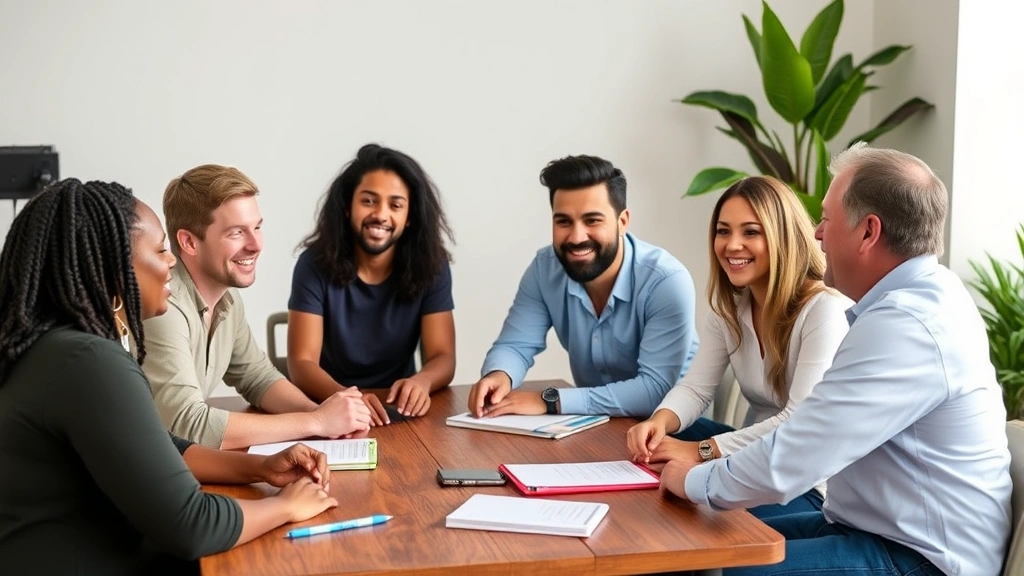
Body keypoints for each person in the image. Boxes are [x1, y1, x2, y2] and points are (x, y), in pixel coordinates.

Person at [662, 145, 1013, 576]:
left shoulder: (907, 324)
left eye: (826, 219)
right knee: (708, 544)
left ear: (868, 232)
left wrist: (694, 479)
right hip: (865, 527)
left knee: (732, 568)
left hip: (921, 556)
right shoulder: (914, 300)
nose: (816, 234)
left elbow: (800, 450)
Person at [0, 179, 339, 575]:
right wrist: (283, 506)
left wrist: (260, 469)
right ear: (115, 267)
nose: (172, 262)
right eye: (161, 249)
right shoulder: (88, 361)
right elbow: (190, 525)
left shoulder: (60, 348)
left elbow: (162, 446)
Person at [626, 176, 851, 518]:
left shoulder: (823, 309)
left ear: (781, 237)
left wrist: (701, 452)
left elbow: (797, 421)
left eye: (750, 232)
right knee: (657, 439)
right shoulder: (729, 308)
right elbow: (696, 388)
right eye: (723, 231)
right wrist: (660, 421)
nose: (732, 245)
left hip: (804, 481)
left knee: (689, 495)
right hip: (749, 453)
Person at [143, 165, 371, 449]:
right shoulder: (164, 306)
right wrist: (317, 422)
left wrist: (320, 414)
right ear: (189, 241)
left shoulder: (228, 299)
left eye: (257, 227)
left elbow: (257, 377)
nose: (256, 245)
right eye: (237, 232)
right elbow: (188, 424)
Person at [468, 154, 699, 418]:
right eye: (563, 221)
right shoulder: (545, 269)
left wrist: (550, 401)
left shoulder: (666, 281)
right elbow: (515, 345)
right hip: (595, 426)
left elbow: (654, 391)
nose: (577, 237)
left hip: (675, 433)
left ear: (622, 221)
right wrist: (500, 375)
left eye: (592, 220)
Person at [288, 144, 455, 425]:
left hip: (399, 410)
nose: (381, 214)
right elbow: (302, 364)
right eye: (368, 201)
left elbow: (443, 356)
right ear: (347, 207)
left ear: (410, 216)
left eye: (396, 205)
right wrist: (347, 399)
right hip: (330, 407)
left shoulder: (432, 265)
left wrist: (422, 381)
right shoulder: (313, 264)